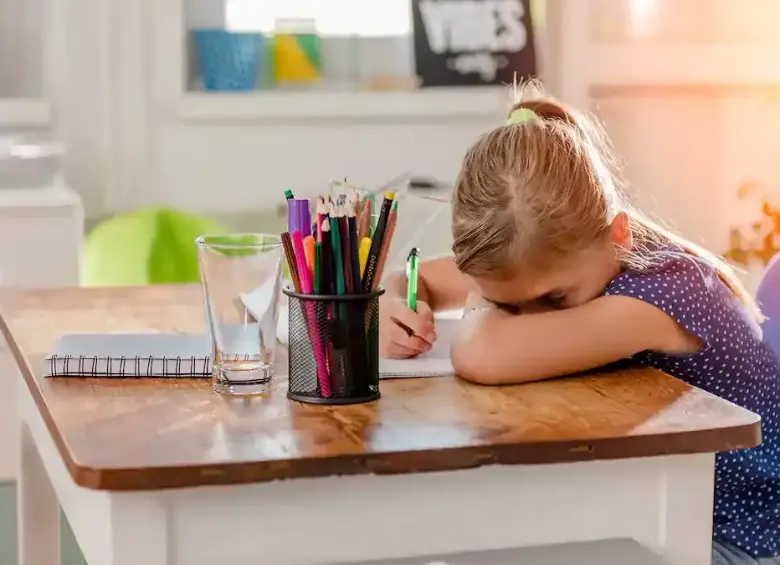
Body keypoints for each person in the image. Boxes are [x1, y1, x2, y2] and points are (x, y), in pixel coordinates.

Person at [379, 82, 780, 565]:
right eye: (513, 302)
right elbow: (410, 279)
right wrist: (395, 302)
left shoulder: (663, 294)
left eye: (553, 298)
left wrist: (484, 291)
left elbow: (480, 354)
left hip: (736, 538)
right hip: (661, 508)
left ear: (619, 235)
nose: (533, 317)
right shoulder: (572, 258)